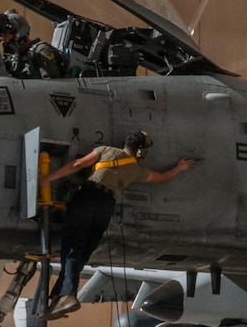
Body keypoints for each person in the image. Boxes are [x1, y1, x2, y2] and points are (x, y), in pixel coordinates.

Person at [38, 130, 195, 317]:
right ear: (140, 151)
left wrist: (48, 179)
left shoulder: (105, 150)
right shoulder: (137, 170)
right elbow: (161, 178)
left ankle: (67, 294)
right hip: (106, 206)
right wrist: (179, 167)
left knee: (73, 246)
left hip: (88, 197)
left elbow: (77, 165)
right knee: (83, 252)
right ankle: (60, 295)